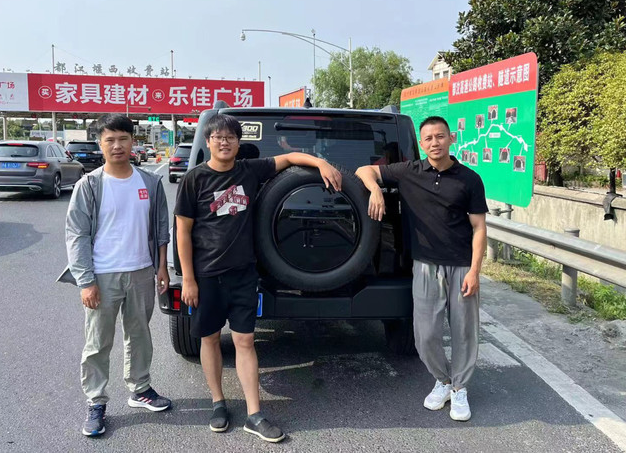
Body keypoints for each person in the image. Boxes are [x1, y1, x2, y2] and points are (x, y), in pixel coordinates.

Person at [174, 114, 341, 443]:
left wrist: (322, 163)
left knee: (245, 341)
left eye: (230, 137)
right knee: (209, 339)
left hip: (243, 274)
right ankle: (218, 403)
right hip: (206, 275)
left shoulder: (249, 171)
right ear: (207, 142)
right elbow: (183, 230)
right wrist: (189, 279)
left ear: (239, 143)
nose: (224, 142)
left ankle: (254, 414)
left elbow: (290, 158)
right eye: (218, 137)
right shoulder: (194, 179)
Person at [355, 115, 488, 422]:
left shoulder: (469, 179)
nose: (434, 143)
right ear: (421, 143)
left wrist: (474, 271)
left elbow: (479, 227)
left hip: (461, 265)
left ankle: (460, 388)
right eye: (428, 138)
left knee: (464, 332)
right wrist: (375, 190)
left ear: (451, 138)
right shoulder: (409, 171)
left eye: (440, 136)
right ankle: (443, 380)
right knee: (425, 335)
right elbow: (364, 170)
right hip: (425, 265)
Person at [64, 114, 171, 437]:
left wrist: (161, 267)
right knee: (98, 342)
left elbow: (161, 228)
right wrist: (86, 281)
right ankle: (96, 401)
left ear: (132, 141)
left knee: (139, 335)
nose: (117, 145)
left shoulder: (149, 182)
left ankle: (140, 388)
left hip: (141, 271)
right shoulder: (89, 185)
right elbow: (77, 234)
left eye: (123, 138)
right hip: (102, 275)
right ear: (100, 144)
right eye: (109, 140)